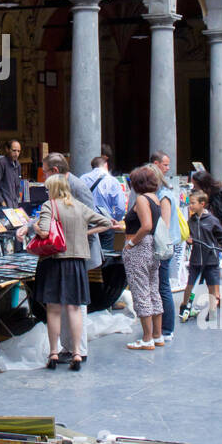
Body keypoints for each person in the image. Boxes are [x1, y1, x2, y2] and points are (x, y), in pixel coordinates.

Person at [18, 174, 110, 371]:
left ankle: (53, 353)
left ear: (53, 189)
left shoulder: (49, 206)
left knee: (54, 309)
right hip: (76, 263)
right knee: (74, 308)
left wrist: (33, 227)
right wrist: (85, 233)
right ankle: (77, 352)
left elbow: (43, 232)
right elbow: (107, 223)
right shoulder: (79, 206)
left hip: (54, 262)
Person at [122, 165, 165, 350]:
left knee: (140, 292)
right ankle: (157, 335)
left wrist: (131, 244)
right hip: (152, 248)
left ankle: (147, 337)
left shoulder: (141, 199)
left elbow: (146, 225)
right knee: (153, 290)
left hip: (140, 247)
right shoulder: (155, 198)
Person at [179, 189, 222, 318]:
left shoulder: (212, 220)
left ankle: (212, 309)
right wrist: (189, 239)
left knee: (212, 285)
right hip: (196, 259)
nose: (190, 206)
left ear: (202, 204)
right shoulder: (191, 221)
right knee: (190, 284)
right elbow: (189, 235)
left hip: (210, 258)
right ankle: (184, 306)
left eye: (193, 203)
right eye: (190, 203)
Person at [191, 170, 222, 309]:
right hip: (208, 231)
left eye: (195, 184)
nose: (193, 187)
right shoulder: (199, 195)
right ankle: (216, 295)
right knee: (211, 264)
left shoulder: (221, 191)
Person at [150, 150, 178, 342]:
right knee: (160, 286)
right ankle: (161, 327)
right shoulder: (161, 194)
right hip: (164, 245)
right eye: (165, 165)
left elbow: (164, 226)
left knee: (163, 287)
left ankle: (167, 328)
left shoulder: (164, 196)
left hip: (164, 247)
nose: (168, 168)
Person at [79, 147, 126, 254]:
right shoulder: (112, 181)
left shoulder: (82, 179)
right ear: (106, 165)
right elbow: (120, 206)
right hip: (106, 221)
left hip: (86, 220)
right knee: (106, 255)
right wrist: (115, 219)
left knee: (87, 253)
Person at [0, 139, 23, 210]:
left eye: (18, 151)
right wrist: (2, 202)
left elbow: (17, 186)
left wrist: (17, 199)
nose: (16, 153)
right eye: (14, 150)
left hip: (14, 205)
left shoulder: (18, 164)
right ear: (7, 149)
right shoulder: (1, 163)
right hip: (3, 206)